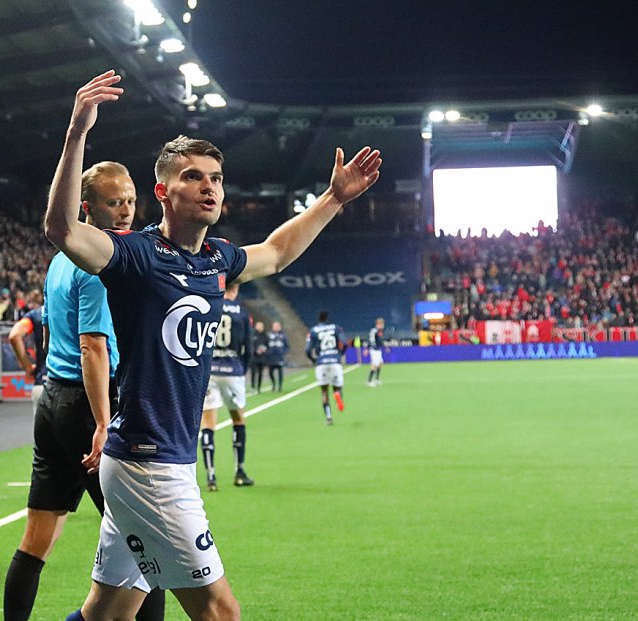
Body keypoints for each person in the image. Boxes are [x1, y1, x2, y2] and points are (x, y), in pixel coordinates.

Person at [44, 70, 380, 621]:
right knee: (221, 611)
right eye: (194, 177)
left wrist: (334, 199)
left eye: (217, 178)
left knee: (106, 613)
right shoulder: (135, 256)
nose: (210, 186)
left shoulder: (217, 259)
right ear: (162, 192)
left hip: (152, 459)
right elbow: (61, 229)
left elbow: (274, 252)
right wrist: (77, 132)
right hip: (149, 464)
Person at [3, 161, 165, 621]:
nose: (126, 211)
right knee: (144, 538)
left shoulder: (59, 259)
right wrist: (102, 422)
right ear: (87, 208)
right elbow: (93, 345)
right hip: (88, 404)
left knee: (38, 536)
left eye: (131, 200)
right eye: (115, 203)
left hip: (53, 400)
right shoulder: (97, 265)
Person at [200, 281, 254, 491]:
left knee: (208, 424)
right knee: (238, 420)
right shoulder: (242, 312)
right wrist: (243, 369)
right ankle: (239, 471)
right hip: (233, 371)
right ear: (236, 288)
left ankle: (211, 477)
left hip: (211, 371)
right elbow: (248, 346)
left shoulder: (210, 304)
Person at [7, 293, 47, 411]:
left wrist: (27, 365)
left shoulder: (36, 315)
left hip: (42, 382)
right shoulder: (76, 309)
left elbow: (14, 335)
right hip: (73, 384)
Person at [307, 310, 347, 425]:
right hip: (335, 361)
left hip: (322, 363)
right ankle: (338, 394)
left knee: (324, 391)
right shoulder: (336, 328)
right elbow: (345, 343)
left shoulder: (314, 330)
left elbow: (307, 350)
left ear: (318, 319)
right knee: (337, 387)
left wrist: (314, 360)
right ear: (328, 319)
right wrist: (340, 354)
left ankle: (329, 418)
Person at [366, 316, 390, 386]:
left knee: (380, 363)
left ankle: (376, 379)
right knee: (374, 365)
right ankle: (369, 381)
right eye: (381, 324)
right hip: (374, 350)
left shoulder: (380, 332)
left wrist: (385, 347)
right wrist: (368, 349)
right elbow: (371, 340)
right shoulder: (374, 331)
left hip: (378, 350)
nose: (383, 325)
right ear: (378, 324)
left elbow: (380, 341)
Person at [265, 321, 289, 392]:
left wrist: (283, 352)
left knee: (280, 372)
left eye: (277, 326)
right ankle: (273, 384)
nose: (276, 327)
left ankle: (280, 386)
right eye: (275, 326)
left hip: (279, 357)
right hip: (271, 357)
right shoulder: (269, 335)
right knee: (270, 372)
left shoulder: (283, 336)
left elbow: (287, 346)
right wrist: (267, 352)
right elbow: (265, 344)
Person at [250, 321, 268, 393]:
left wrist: (264, 350)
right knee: (253, 372)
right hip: (254, 357)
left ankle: (259, 387)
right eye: (257, 326)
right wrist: (255, 351)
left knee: (260, 373)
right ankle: (252, 386)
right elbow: (250, 344)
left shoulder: (265, 336)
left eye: (260, 326)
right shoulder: (253, 335)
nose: (258, 327)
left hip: (262, 357)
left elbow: (267, 345)